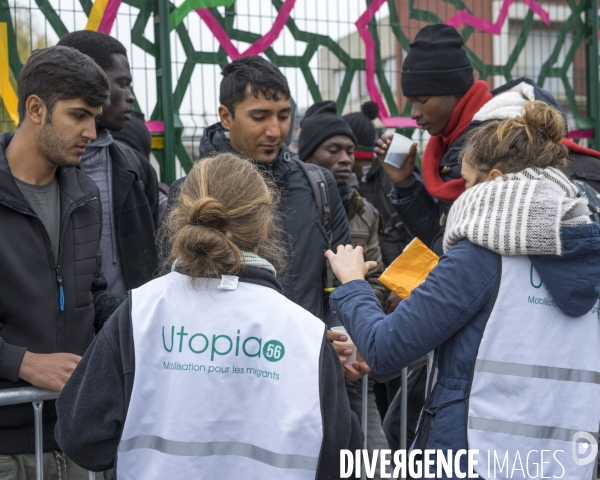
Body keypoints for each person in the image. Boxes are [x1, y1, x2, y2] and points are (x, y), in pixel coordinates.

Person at [327, 101, 600, 478]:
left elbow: (386, 348)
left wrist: (354, 283)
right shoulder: (587, 254)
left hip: (475, 457)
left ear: (493, 180)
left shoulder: (481, 255)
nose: (462, 196)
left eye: (468, 182)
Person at [55, 152, 362, 479]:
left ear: (180, 217)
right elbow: (342, 460)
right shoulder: (306, 334)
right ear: (265, 224)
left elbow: (82, 438)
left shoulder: (140, 312)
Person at [388, 24, 600, 258]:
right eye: (411, 101)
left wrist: (429, 288)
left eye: (423, 100)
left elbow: (478, 256)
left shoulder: (498, 148)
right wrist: (405, 184)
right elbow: (446, 236)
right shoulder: (451, 146)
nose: (414, 113)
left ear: (456, 91)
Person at [166, 56, 351, 320]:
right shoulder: (189, 192)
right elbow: (176, 288)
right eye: (260, 117)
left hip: (307, 353)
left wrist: (330, 335)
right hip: (227, 354)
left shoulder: (319, 185)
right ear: (226, 117)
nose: (275, 131)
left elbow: (344, 277)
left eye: (284, 116)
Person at [0, 46, 112, 479]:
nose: (91, 131)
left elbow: (94, 293)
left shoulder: (85, 194)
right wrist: (23, 363)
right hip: (8, 447)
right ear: (36, 109)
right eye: (79, 115)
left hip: (75, 436)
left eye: (96, 118)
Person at [299, 100, 388, 477]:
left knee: (371, 455)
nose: (345, 159)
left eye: (350, 151)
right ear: (309, 154)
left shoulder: (366, 212)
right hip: (304, 352)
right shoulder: (296, 205)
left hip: (352, 353)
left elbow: (377, 279)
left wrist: (358, 315)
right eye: (332, 150)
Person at [57, 31, 159, 320]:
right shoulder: (39, 173)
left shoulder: (136, 168)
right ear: (90, 81)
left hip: (131, 333)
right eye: (122, 83)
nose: (130, 97)